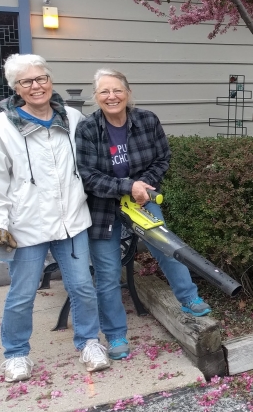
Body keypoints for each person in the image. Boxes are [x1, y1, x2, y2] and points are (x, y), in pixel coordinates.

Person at [75, 68, 211, 360]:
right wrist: (127, 186)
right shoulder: (87, 129)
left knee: (167, 248)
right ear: (96, 97)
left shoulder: (147, 120)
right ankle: (115, 336)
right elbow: (87, 175)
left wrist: (143, 188)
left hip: (142, 200)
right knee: (108, 274)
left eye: (117, 90)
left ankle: (188, 298)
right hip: (103, 206)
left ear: (128, 92)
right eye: (104, 92)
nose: (111, 96)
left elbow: (163, 158)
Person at [0, 54, 110, 382]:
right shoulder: (2, 127)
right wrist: (0, 225)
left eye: (41, 78)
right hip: (27, 225)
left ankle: (89, 341)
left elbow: (95, 158)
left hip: (71, 220)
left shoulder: (72, 117)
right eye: (27, 81)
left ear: (50, 80)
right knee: (22, 293)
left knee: (82, 286)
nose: (36, 86)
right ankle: (16, 354)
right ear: (16, 88)